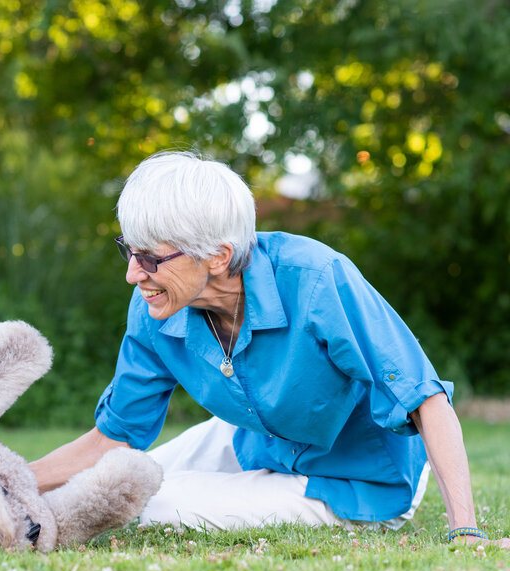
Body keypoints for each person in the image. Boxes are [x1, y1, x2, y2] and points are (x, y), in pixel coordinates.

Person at [30, 150, 508, 546]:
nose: (134, 274)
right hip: (260, 441)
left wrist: (464, 529)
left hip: (360, 478)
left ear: (217, 256)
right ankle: (8, 520)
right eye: (128, 251)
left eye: (151, 257)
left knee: (157, 504)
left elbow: (425, 398)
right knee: (124, 477)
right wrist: (1, 482)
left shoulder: (316, 278)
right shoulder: (157, 303)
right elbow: (112, 441)